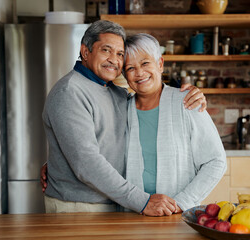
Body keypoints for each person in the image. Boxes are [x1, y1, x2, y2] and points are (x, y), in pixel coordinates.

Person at [41, 20, 207, 216]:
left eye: (120, 54)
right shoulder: (69, 92)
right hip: (78, 206)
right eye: (106, 50)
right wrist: (143, 201)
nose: (114, 59)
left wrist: (193, 94)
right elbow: (86, 164)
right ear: (85, 52)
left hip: (114, 203)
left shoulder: (116, 93)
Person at [123, 33, 226, 212]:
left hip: (177, 215)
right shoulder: (121, 109)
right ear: (125, 75)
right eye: (130, 68)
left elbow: (216, 161)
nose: (139, 73)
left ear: (160, 64)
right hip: (131, 213)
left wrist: (181, 203)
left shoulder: (187, 102)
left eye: (145, 63)